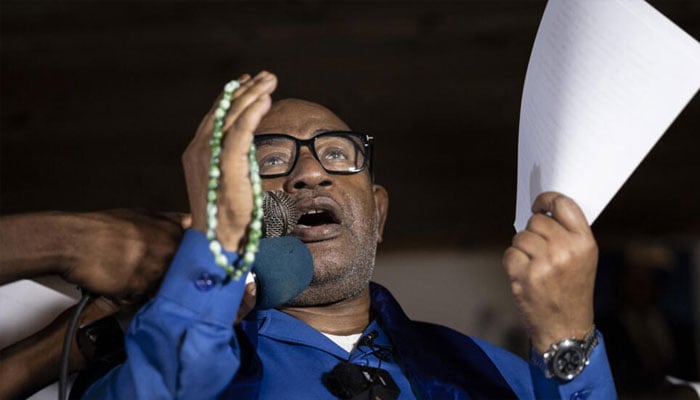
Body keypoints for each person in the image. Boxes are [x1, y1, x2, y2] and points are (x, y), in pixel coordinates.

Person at [1, 70, 616, 399]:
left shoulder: (496, 373)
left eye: (337, 154)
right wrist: (211, 256)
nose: (310, 172)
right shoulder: (161, 362)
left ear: (377, 214)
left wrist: (567, 342)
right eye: (271, 161)